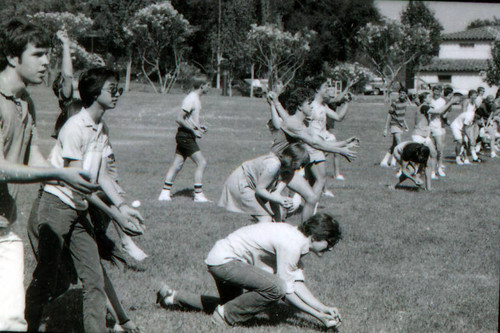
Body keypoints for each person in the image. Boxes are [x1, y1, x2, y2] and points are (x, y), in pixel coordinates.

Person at [25, 67, 144, 332]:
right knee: (47, 278)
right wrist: (116, 216)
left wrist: (122, 206)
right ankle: (28, 325)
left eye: (118, 89)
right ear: (94, 92)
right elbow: (78, 185)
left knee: (94, 279)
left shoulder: (101, 128)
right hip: (56, 205)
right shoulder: (75, 128)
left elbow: (101, 175)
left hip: (77, 209)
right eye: (112, 89)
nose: (117, 94)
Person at [0, 18, 98, 331]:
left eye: (48, 55)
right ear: (13, 58)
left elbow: (33, 157)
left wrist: (66, 176)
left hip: (4, 229)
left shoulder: (24, 102)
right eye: (38, 55)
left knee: (13, 321)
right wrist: (60, 173)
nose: (46, 63)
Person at [156, 213, 343, 329]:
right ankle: (223, 318)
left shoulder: (295, 237)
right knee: (275, 289)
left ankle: (172, 297)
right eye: (330, 242)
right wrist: (319, 317)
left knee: (233, 304)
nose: (331, 248)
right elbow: (287, 291)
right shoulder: (292, 245)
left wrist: (322, 308)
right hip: (225, 262)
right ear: (316, 236)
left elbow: (297, 283)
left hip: (220, 259)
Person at [266, 88, 358, 221]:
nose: (311, 107)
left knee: (311, 198)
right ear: (300, 107)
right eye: (308, 104)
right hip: (273, 166)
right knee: (273, 214)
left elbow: (318, 142)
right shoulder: (294, 124)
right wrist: (340, 150)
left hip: (285, 167)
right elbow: (315, 144)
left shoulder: (298, 124)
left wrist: (343, 144)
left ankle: (306, 231)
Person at [219, 142, 309, 222]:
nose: (300, 168)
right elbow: (260, 190)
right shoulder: (273, 165)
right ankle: (251, 240)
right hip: (240, 184)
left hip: (254, 186)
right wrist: (280, 200)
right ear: (292, 159)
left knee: (277, 219)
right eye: (300, 164)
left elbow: (274, 193)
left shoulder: (288, 169)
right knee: (265, 219)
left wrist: (280, 199)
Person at [158, 76, 211, 202]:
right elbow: (179, 118)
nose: (210, 87)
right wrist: (193, 130)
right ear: (202, 85)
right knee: (201, 163)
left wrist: (199, 127)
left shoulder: (196, 98)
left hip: (186, 135)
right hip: (185, 136)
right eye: (208, 85)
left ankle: (164, 193)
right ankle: (198, 194)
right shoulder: (191, 99)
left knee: (177, 164)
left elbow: (189, 119)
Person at [427, 86, 460, 177]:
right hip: (429, 126)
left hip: (439, 127)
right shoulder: (429, 100)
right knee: (431, 149)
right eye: (435, 90)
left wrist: (445, 121)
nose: (436, 92)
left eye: (438, 91)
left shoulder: (443, 101)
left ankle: (439, 167)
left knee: (440, 149)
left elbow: (444, 114)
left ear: (441, 92)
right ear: (432, 91)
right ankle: (431, 169)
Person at [381, 87, 411, 167]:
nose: (402, 95)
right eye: (400, 93)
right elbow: (389, 114)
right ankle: (397, 162)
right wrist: (385, 128)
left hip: (400, 126)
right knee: (399, 143)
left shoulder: (405, 103)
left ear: (406, 95)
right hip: (394, 124)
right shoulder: (395, 102)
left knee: (394, 145)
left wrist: (406, 125)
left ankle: (385, 161)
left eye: (404, 93)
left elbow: (402, 116)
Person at [411, 93, 438, 179]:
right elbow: (439, 112)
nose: (431, 98)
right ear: (424, 99)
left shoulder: (425, 106)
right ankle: (404, 170)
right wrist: (451, 103)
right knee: (416, 157)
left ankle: (432, 173)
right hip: (418, 135)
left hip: (425, 136)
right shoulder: (424, 107)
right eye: (429, 97)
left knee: (433, 153)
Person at [450, 90, 478, 165]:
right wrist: (468, 135)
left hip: (467, 123)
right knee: (460, 141)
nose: (475, 96)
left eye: (476, 95)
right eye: (474, 95)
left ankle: (465, 158)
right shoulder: (466, 101)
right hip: (458, 125)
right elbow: (464, 112)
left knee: (465, 141)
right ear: (470, 95)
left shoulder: (474, 103)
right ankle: (458, 158)